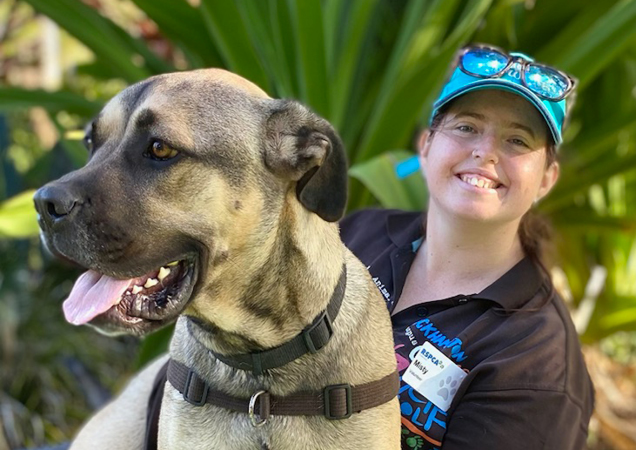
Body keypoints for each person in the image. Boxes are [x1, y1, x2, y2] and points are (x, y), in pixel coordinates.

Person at [340, 45, 594, 449]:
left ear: (546, 179)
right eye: (466, 127)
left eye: (516, 140)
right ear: (426, 146)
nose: (486, 151)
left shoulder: (536, 365)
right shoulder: (356, 235)